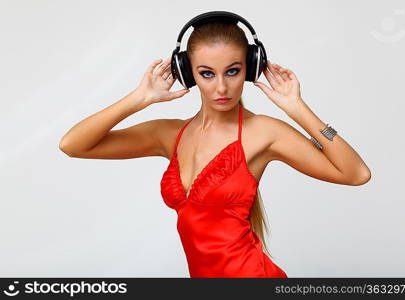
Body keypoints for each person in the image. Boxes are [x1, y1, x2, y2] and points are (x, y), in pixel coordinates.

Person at [59, 21, 371, 278]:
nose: (221, 88)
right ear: (188, 73)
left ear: (249, 69)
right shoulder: (170, 134)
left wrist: (298, 109)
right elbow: (73, 145)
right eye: (207, 73)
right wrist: (138, 98)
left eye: (232, 71)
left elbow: (356, 173)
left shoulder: (263, 132)